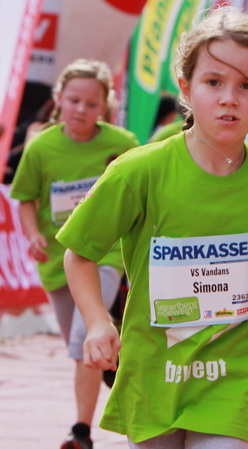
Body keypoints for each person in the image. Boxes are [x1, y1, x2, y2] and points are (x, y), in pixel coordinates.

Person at [56, 8, 248, 449]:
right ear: (186, 87)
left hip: (234, 374)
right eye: (214, 82)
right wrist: (98, 322)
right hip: (154, 370)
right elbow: (79, 253)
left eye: (247, 86)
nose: (229, 98)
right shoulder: (138, 171)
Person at [9, 58, 139, 449]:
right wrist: (33, 235)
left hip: (105, 254)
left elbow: (140, 195)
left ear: (104, 106)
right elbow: (25, 198)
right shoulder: (41, 148)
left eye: (91, 103)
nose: (81, 109)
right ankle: (122, 376)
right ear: (59, 99)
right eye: (74, 101)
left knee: (86, 333)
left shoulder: (123, 144)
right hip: (57, 259)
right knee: (84, 347)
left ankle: (81, 432)